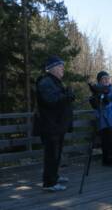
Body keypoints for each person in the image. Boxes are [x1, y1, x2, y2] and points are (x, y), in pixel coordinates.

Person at [35, 56, 75, 192]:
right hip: (50, 126)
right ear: (51, 69)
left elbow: (59, 99)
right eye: (60, 66)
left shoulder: (55, 82)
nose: (63, 68)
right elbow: (51, 101)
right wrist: (66, 97)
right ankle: (49, 183)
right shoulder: (46, 82)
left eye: (62, 66)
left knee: (56, 154)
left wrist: (68, 96)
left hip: (58, 125)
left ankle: (55, 176)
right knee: (51, 155)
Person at [89, 71, 112, 167]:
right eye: (104, 78)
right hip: (106, 122)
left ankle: (111, 159)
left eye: (108, 78)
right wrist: (105, 99)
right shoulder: (97, 91)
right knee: (108, 141)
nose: (106, 80)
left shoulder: (111, 90)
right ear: (99, 81)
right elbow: (97, 106)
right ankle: (109, 160)